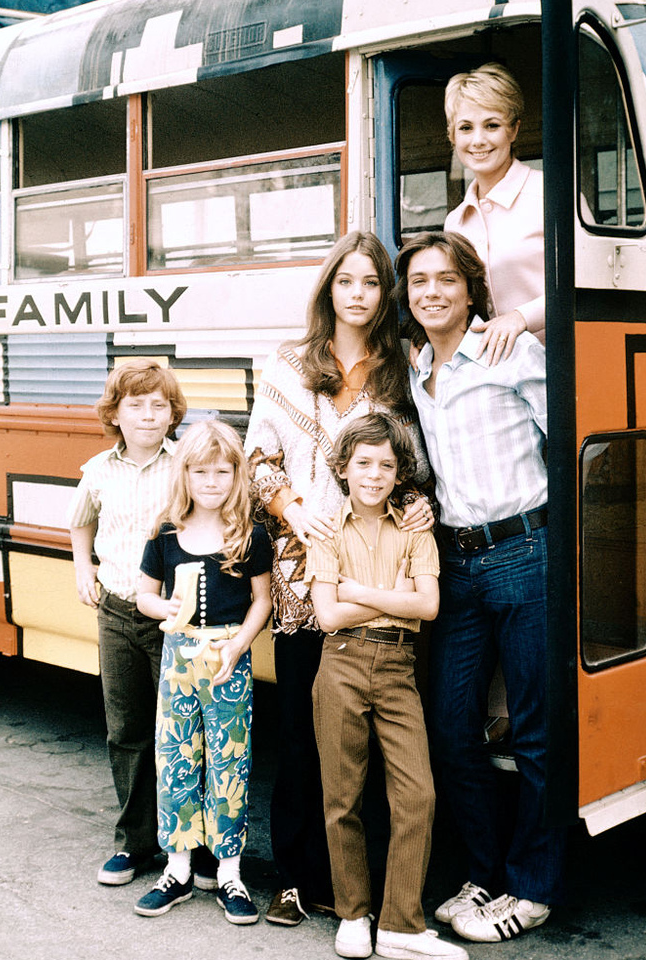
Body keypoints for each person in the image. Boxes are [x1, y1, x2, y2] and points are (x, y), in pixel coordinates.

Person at [245, 231, 434, 926]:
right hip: (301, 572)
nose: (358, 294)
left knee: (373, 737)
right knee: (301, 729)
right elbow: (258, 458)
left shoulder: (399, 368)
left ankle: (367, 883)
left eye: (371, 283)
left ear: (385, 295)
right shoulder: (289, 363)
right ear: (329, 288)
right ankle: (297, 877)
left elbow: (413, 463)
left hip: (378, 570)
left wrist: (417, 501)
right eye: (346, 281)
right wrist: (293, 508)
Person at [396, 231, 566, 942]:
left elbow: (572, 431)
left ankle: (533, 886)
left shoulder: (511, 352)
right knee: (453, 729)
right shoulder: (413, 373)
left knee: (533, 732)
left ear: (471, 290)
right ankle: (486, 873)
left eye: (446, 280)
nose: (431, 292)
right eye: (418, 282)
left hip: (524, 550)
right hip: (456, 565)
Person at [307, 413, 466, 960]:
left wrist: (357, 589)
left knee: (416, 793)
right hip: (341, 665)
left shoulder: (416, 530)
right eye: (364, 463)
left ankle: (401, 923)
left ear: (400, 474)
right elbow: (327, 617)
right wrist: (387, 594)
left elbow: (428, 606)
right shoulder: (327, 528)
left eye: (387, 465)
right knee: (342, 795)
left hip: (398, 669)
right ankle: (353, 915)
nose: (374, 475)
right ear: (344, 469)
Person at [134, 419, 272, 921]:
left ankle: (230, 872)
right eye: (200, 472)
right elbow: (144, 594)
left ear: (236, 476)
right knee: (175, 758)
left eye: (221, 472)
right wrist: (165, 610)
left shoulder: (248, 535)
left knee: (229, 762)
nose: (211, 482)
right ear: (184, 475)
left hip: (228, 658)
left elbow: (262, 601)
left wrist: (238, 644)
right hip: (179, 656)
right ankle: (178, 869)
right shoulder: (167, 534)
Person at [69, 359, 199, 886]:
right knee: (127, 731)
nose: (148, 416)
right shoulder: (98, 470)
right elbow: (81, 524)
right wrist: (84, 568)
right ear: (115, 414)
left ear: (172, 415)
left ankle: (198, 846)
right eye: (135, 406)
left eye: (159, 406)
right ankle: (134, 844)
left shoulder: (186, 466)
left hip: (176, 615)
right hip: (118, 614)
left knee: (187, 732)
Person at [443, 63, 545, 365]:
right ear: (453, 136)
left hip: (557, 367)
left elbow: (587, 285)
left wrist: (520, 317)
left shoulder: (550, 195)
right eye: (465, 128)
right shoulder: (455, 222)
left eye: (492, 125)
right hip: (489, 374)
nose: (478, 141)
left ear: (513, 129)